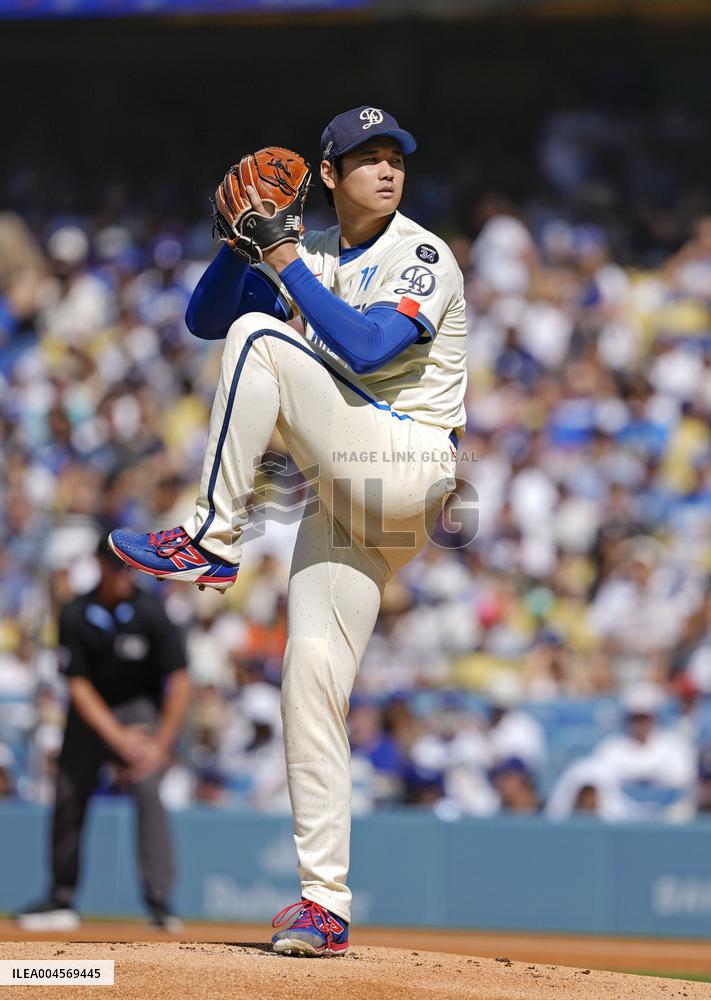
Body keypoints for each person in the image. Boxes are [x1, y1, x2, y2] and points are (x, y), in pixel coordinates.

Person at [109, 105, 467, 956]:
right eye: (367, 158)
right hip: (346, 500)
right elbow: (204, 321)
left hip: (408, 462)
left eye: (395, 157)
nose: (387, 170)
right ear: (329, 175)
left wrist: (281, 261)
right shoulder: (310, 252)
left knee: (261, 340)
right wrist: (237, 246)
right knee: (310, 679)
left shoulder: (420, 253)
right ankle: (323, 905)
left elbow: (371, 348)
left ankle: (211, 537)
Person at [15, 537, 191, 932]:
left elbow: (180, 680)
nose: (125, 573)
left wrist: (160, 746)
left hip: (141, 713)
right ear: (98, 564)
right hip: (91, 715)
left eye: (131, 565)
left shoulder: (151, 612)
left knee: (148, 787)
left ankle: (160, 903)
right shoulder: (76, 613)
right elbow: (77, 684)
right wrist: (118, 737)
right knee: (68, 789)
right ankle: (60, 897)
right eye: (117, 564)